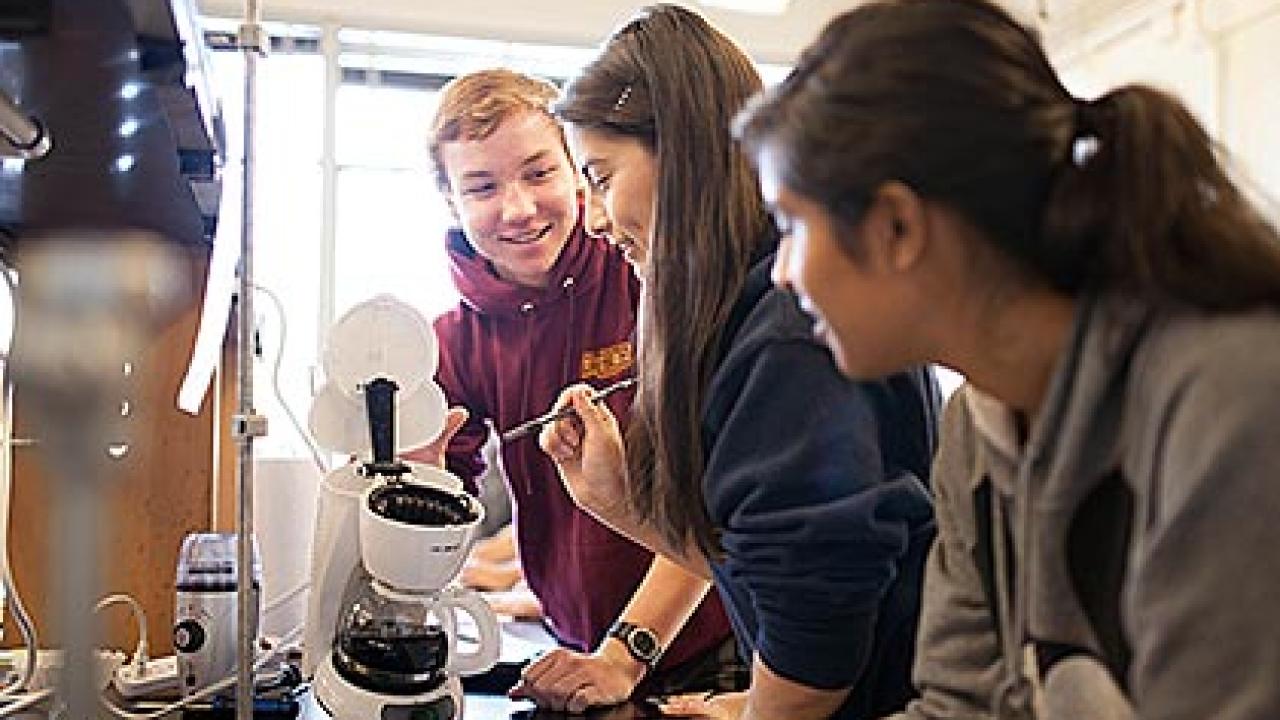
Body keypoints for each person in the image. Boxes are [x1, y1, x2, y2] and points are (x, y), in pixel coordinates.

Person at [733, 1, 1280, 718]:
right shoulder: (977, 430)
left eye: (793, 226)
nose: (782, 274)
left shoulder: (1228, 392)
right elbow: (959, 706)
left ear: (898, 226)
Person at [534, 6, 940, 719]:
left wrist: (763, 709)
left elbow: (817, 652)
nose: (595, 220)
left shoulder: (785, 339)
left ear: (684, 155)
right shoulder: (746, 320)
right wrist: (618, 503)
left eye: (600, 177)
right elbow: (767, 577)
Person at [408, 67, 741, 712]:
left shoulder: (647, 278)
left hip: (708, 647)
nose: (518, 209)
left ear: (578, 171)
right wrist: (417, 487)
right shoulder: (451, 342)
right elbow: (434, 505)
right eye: (482, 186)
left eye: (539, 173)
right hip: (580, 651)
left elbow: (714, 507)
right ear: (450, 200)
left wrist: (625, 653)